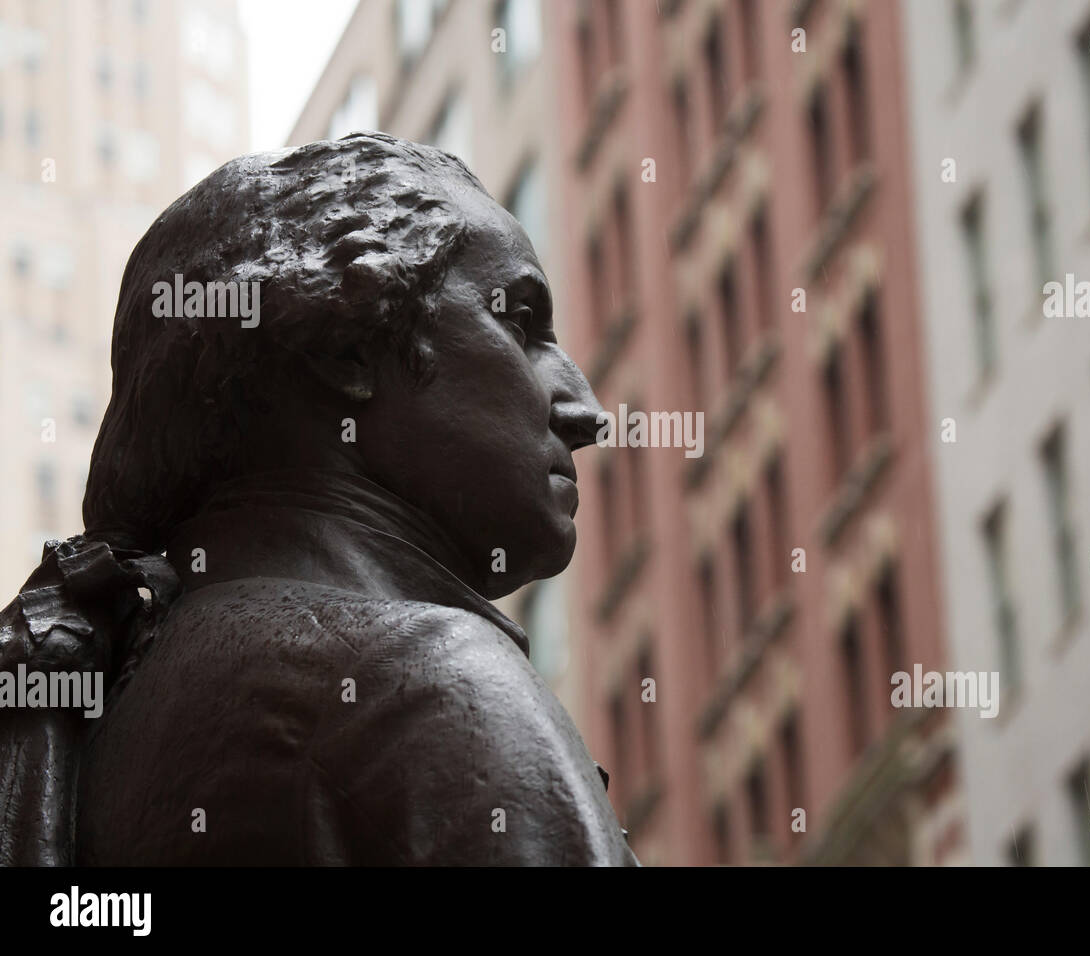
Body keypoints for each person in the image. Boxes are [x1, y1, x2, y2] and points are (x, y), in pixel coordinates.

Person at [0, 132, 638, 866]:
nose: (587, 411)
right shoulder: (430, 686)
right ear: (346, 352)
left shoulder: (106, 734)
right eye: (519, 324)